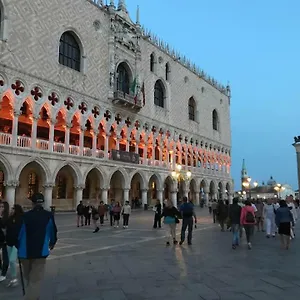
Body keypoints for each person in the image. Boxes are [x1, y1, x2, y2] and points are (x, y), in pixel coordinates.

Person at [17, 192, 57, 300]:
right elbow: (53, 231)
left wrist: (17, 245)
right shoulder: (48, 216)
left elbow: (19, 234)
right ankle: (32, 297)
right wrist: (52, 243)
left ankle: (32, 295)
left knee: (29, 278)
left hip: (24, 252)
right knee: (35, 280)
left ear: (32, 203)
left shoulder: (25, 216)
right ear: (43, 203)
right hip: (41, 252)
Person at [5, 204, 24, 287]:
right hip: (9, 242)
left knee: (12, 260)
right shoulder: (9, 218)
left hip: (17, 243)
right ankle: (13, 278)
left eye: (13, 208)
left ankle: (14, 278)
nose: (12, 210)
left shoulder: (21, 219)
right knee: (10, 260)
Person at [0, 200, 9, 282]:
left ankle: (3, 273)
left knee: (5, 257)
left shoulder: (7, 218)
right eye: (0, 206)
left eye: (2, 207)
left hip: (5, 240)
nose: (1, 208)